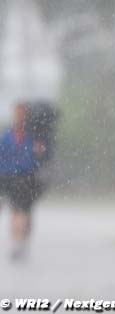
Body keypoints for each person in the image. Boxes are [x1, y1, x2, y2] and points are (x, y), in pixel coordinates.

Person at [0, 103, 48, 260]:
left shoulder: (31, 136)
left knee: (21, 211)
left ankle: (19, 243)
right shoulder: (13, 136)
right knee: (18, 211)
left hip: (24, 177)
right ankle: (18, 243)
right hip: (16, 177)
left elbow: (39, 158)